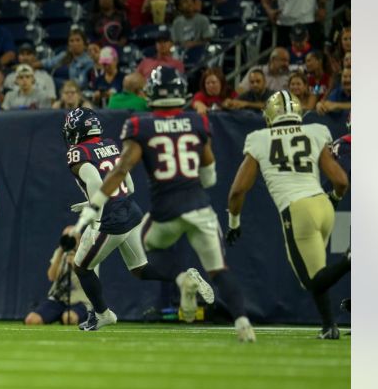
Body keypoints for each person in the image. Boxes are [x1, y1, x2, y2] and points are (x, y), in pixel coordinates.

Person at [76, 66, 256, 341]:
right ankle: (241, 323)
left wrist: (94, 205)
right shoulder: (197, 121)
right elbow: (209, 176)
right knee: (212, 269)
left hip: (160, 209)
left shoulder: (139, 125)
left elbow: (120, 173)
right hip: (197, 204)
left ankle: (104, 312)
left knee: (85, 265)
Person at [226, 91, 350, 338]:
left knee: (312, 281)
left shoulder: (259, 138)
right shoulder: (315, 131)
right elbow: (340, 180)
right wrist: (334, 200)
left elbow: (238, 190)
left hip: (297, 210)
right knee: (318, 270)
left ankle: (351, 259)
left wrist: (234, 222)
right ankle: (329, 327)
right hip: (323, 206)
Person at [60, 108, 195, 331]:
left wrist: (95, 216)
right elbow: (128, 185)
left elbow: (94, 181)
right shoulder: (110, 145)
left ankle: (103, 314)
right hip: (130, 210)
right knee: (140, 269)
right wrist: (94, 202)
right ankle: (182, 276)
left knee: (82, 268)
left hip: (110, 220)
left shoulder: (78, 152)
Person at [24, 225, 91, 325]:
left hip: (80, 301)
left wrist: (74, 262)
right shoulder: (59, 253)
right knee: (31, 320)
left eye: (72, 237)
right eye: (66, 237)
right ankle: (58, 315)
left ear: (79, 239)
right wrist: (60, 253)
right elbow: (51, 277)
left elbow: (88, 277)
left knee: (69, 319)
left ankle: (81, 316)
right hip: (58, 299)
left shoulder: (88, 254)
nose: (69, 240)